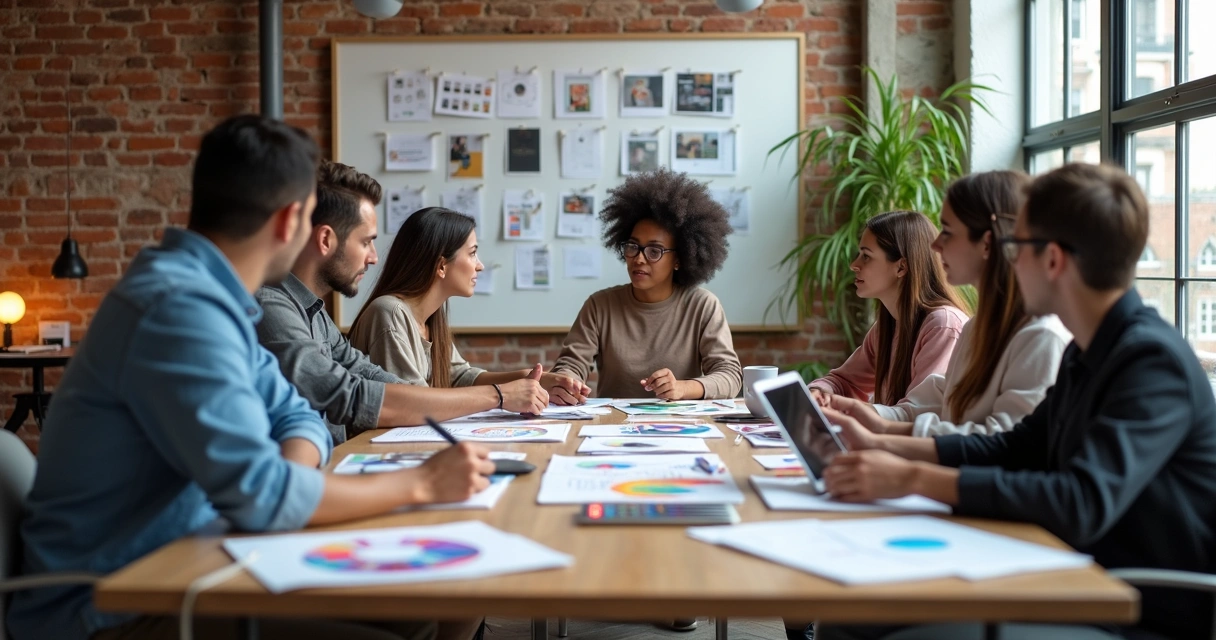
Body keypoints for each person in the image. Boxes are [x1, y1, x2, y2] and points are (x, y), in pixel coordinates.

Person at [5, 116, 491, 640]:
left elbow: (299, 416)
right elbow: (265, 495)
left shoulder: (216, 299)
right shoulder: (177, 309)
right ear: (290, 222)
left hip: (193, 561)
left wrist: (285, 484)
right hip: (114, 606)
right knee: (422, 611)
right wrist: (423, 482)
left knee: (427, 607)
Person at [817, 163, 1216, 640]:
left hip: (1129, 607)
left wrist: (911, 477)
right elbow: (1016, 445)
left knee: (871, 625)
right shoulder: (1088, 350)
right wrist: (884, 443)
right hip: (1064, 572)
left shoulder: (1149, 360)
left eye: (1017, 247)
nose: (1008, 261)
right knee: (846, 616)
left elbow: (1081, 501)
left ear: (1053, 260)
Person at [256, 161, 549, 445]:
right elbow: (351, 395)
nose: (374, 257)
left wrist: (516, 387)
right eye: (365, 242)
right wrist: (498, 395)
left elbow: (375, 378)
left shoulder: (315, 313)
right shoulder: (271, 308)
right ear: (325, 240)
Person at [826, 172, 1071, 437]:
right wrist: (865, 416)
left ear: (986, 243)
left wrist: (880, 438)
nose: (935, 244)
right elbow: (934, 401)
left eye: (948, 232)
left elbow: (1002, 445)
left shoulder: (1040, 336)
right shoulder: (975, 328)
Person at [348, 207, 590, 398]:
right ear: (441, 266)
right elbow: (415, 403)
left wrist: (532, 378)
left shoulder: (430, 319)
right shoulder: (389, 313)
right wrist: (502, 395)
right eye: (472, 253)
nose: (480, 265)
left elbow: (459, 376)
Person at [550, 168, 743, 404]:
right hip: (613, 423)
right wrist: (567, 382)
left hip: (680, 422)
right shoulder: (600, 305)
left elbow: (729, 376)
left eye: (654, 251)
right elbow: (571, 364)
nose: (639, 258)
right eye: (633, 246)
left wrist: (683, 388)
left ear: (679, 259)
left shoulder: (702, 306)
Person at [808, 211, 969, 405]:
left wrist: (853, 410)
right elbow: (843, 382)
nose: (854, 265)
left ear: (901, 267)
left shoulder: (943, 326)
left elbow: (917, 411)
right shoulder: (887, 327)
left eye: (866, 256)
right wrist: (818, 392)